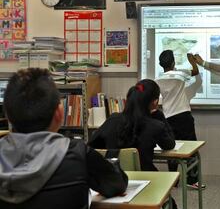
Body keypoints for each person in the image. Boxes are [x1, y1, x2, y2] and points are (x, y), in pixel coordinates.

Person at [0, 68, 128, 209]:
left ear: (7, 115)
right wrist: (112, 164)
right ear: (59, 113)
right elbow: (116, 184)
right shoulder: (77, 152)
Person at [88, 79, 176, 171]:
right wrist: (160, 115)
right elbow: (170, 144)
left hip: (115, 178)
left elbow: (92, 145)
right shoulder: (155, 126)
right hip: (146, 178)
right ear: (155, 102)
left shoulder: (112, 120)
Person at [156, 50, 204, 189]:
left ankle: (174, 180)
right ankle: (192, 180)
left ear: (161, 64)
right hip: (183, 116)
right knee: (191, 148)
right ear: (173, 62)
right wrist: (191, 60)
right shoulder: (180, 75)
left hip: (168, 117)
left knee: (171, 149)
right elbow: (195, 71)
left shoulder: (157, 80)